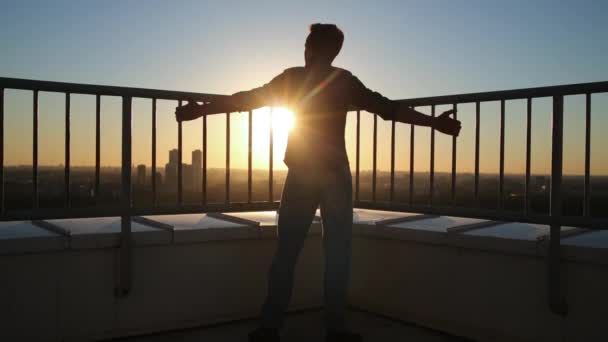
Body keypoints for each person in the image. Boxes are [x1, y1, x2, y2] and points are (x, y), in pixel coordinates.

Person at [175, 23, 461, 342]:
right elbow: (388, 109)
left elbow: (248, 100)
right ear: (335, 51)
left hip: (302, 171)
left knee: (286, 252)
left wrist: (202, 111)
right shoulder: (344, 81)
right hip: (335, 172)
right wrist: (434, 123)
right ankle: (336, 330)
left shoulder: (292, 78)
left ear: (310, 47)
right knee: (337, 252)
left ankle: (270, 328)